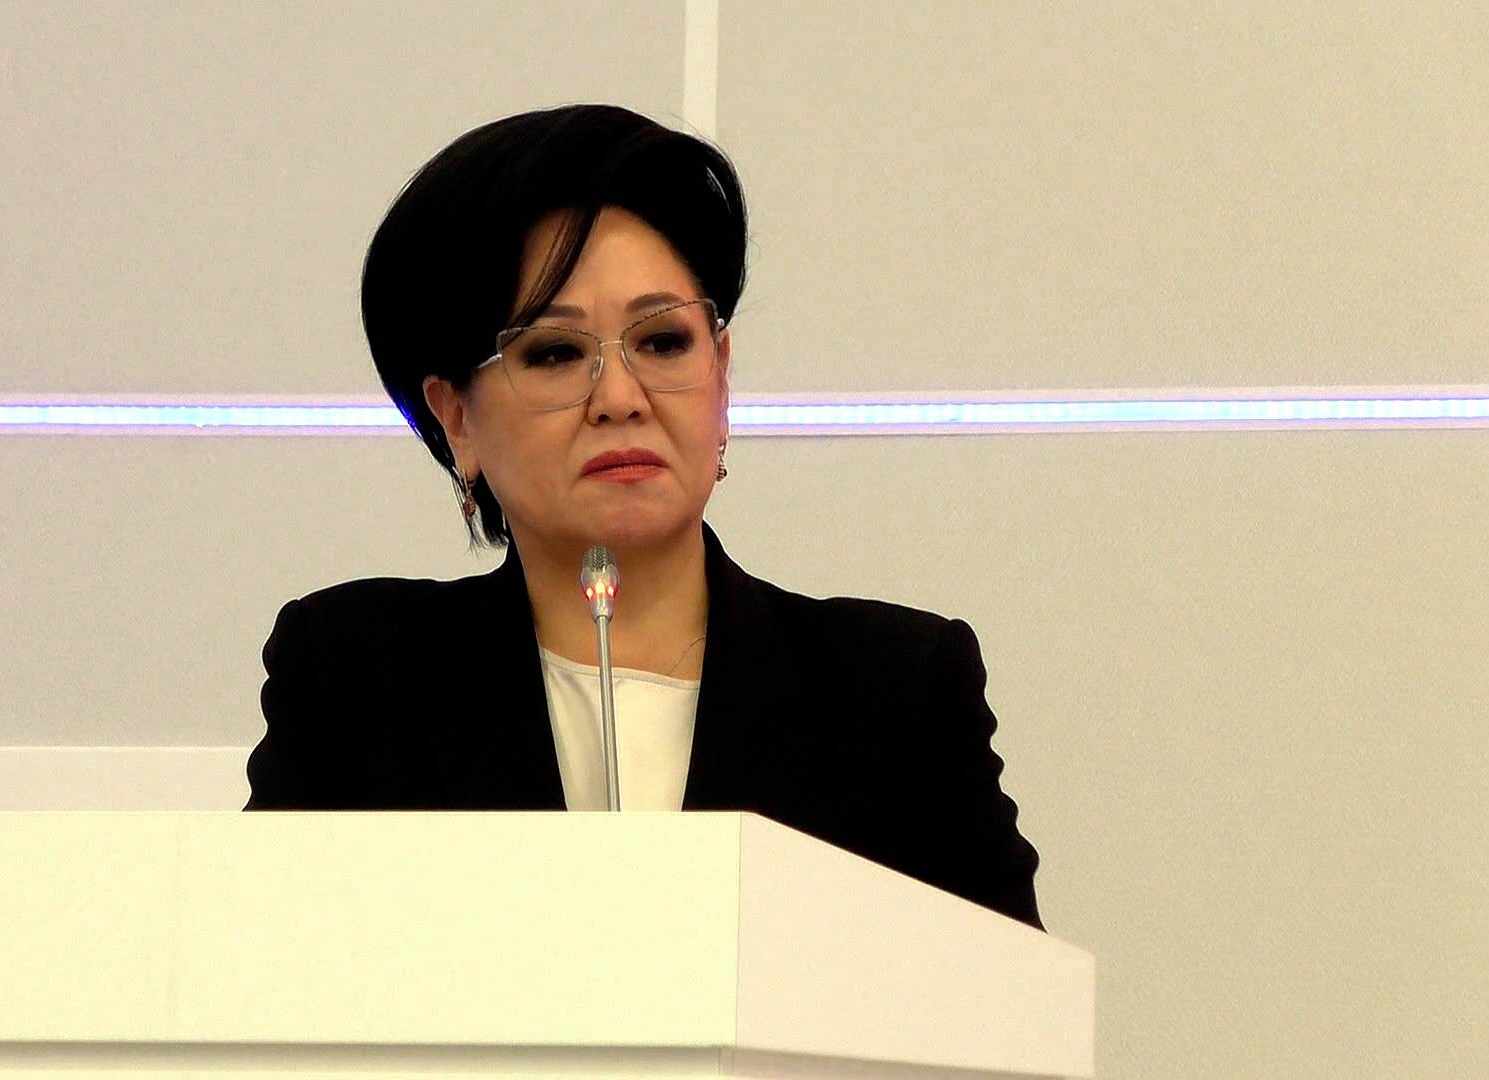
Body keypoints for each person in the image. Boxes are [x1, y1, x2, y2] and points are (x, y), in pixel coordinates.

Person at [245, 104, 1043, 929]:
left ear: (721, 377)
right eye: (555, 353)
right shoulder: (356, 678)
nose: (620, 398)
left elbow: (1007, 996)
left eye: (662, 343)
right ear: (457, 421)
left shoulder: (895, 690)